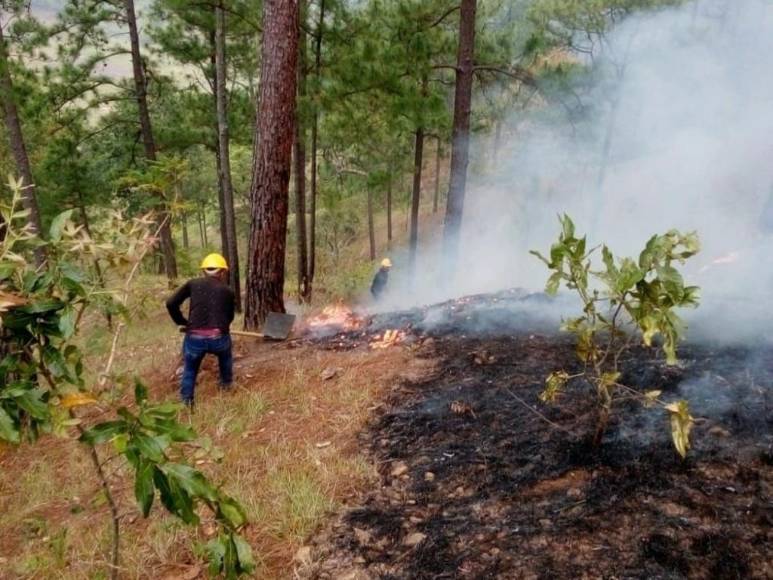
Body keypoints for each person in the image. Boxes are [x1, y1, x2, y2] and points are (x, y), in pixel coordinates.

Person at [166, 253, 235, 409]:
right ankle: (226, 385)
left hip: (194, 338)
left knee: (190, 369)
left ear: (204, 271)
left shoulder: (192, 284)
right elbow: (229, 317)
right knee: (226, 357)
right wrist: (222, 328)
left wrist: (182, 322)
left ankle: (186, 402)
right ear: (223, 272)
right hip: (219, 338)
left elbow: (171, 303)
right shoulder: (228, 291)